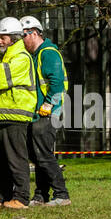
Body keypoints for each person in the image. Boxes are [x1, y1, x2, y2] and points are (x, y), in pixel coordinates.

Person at [0, 17, 37, 209]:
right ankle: (1, 195)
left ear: (13, 37)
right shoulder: (3, 58)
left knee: (16, 159)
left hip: (16, 115)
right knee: (0, 160)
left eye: (3, 37)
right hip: (0, 115)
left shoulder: (21, 57)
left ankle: (21, 198)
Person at [22, 15, 71, 206]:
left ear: (33, 33)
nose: (21, 41)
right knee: (38, 155)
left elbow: (58, 83)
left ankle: (61, 194)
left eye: (23, 36)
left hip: (48, 114)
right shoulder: (37, 54)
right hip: (39, 113)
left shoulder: (48, 53)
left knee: (43, 155)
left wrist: (49, 105)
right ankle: (41, 195)